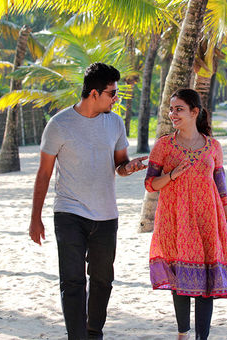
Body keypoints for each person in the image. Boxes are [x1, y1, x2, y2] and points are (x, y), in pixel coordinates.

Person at [29, 62, 147, 340]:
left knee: (103, 280)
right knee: (72, 281)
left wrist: (130, 168)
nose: (115, 98)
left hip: (106, 215)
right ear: (94, 93)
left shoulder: (115, 122)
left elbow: (120, 164)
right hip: (69, 212)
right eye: (111, 93)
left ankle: (93, 333)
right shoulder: (59, 125)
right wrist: (36, 218)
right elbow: (44, 173)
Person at [144, 89, 227, 340]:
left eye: (179, 109)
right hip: (174, 218)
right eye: (171, 109)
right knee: (181, 279)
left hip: (208, 218)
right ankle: (182, 334)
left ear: (194, 112)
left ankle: (202, 337)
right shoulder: (164, 145)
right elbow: (150, 184)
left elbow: (221, 186)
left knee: (207, 280)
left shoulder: (213, 147)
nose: (172, 114)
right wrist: (172, 175)